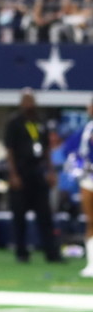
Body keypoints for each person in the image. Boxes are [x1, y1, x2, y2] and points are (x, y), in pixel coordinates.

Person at [4, 88, 62, 263]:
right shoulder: (14, 122)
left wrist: (50, 171)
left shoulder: (41, 122)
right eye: (26, 100)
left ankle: (51, 253)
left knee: (45, 215)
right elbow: (10, 150)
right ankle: (21, 253)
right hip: (21, 173)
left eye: (32, 100)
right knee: (19, 217)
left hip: (38, 174)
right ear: (21, 103)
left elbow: (46, 150)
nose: (29, 104)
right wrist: (13, 174)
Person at [62, 96, 93, 277]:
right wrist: (80, 170)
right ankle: (91, 263)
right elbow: (71, 154)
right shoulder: (84, 131)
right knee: (91, 221)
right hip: (89, 179)